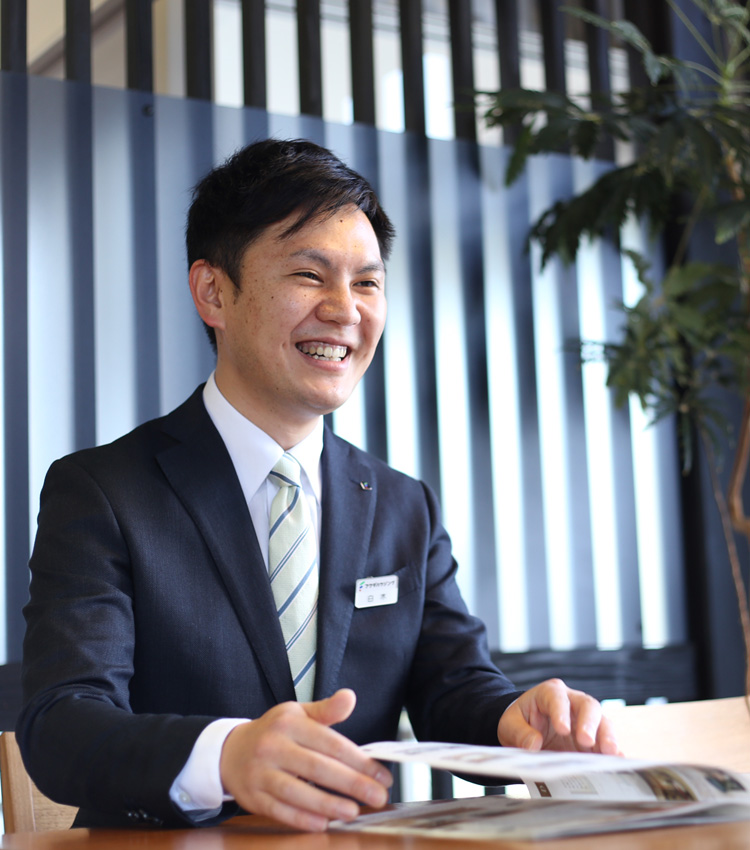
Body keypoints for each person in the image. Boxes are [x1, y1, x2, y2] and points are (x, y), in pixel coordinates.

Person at [18, 138, 619, 832]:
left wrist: (515, 718)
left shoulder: (403, 506)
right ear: (213, 292)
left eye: (367, 282)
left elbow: (453, 689)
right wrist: (226, 755)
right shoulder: (103, 491)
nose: (344, 309)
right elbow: (61, 724)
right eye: (309, 274)